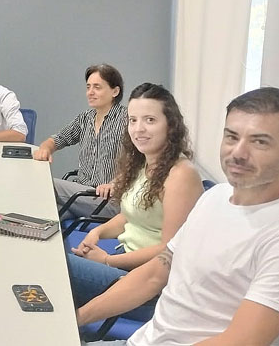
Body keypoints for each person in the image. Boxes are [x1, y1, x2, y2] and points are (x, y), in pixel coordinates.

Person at [77, 87, 279, 346]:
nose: (238, 153)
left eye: (259, 142)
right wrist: (77, 319)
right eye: (232, 137)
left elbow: (239, 342)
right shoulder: (215, 197)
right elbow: (153, 275)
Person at [66, 83, 203, 319]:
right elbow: (131, 216)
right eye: (133, 120)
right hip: (125, 262)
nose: (139, 129)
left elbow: (170, 250)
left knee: (52, 266)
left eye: (150, 120)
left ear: (171, 125)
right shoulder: (144, 162)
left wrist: (108, 261)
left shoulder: (181, 175)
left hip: (145, 286)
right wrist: (97, 232)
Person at [33, 64, 126, 218]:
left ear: (115, 91)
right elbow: (58, 138)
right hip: (82, 194)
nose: (90, 92)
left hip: (108, 200)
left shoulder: (127, 120)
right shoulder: (85, 118)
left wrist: (116, 184)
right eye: (88, 87)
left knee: (45, 182)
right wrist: (45, 149)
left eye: (97, 87)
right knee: (47, 215)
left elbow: (140, 164)